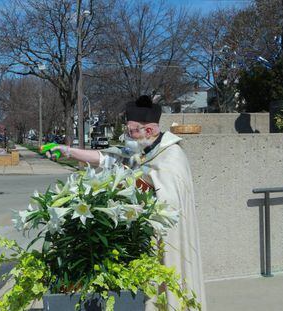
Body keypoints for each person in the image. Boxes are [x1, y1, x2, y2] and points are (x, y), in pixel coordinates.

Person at [48, 95, 206, 310]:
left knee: (168, 289)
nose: (127, 136)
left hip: (166, 237)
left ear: (148, 131)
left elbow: (168, 198)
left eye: (131, 132)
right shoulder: (144, 150)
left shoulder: (171, 156)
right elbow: (108, 159)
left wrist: (127, 183)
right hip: (144, 235)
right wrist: (68, 151)